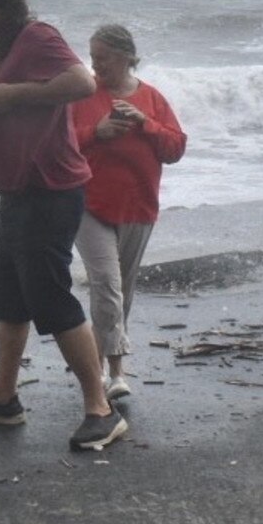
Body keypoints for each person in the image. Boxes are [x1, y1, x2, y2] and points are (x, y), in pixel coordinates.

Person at [0, 0, 128, 451]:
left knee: (49, 297)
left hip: (50, 189)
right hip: (18, 190)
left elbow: (81, 83)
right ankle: (4, 399)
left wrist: (12, 93)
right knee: (7, 293)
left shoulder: (37, 35)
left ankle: (101, 409)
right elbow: (14, 117)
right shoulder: (7, 48)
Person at [71, 24, 186, 401]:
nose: (94, 64)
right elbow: (60, 144)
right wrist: (96, 132)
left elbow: (175, 149)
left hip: (138, 206)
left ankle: (100, 369)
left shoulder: (151, 98)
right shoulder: (83, 93)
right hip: (88, 204)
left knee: (122, 291)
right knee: (106, 283)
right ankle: (115, 372)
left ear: (124, 58)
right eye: (91, 57)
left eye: (101, 58)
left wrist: (143, 123)